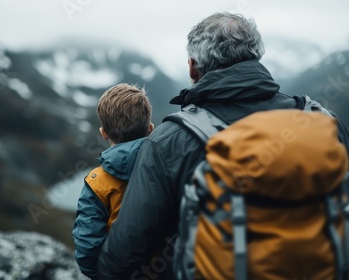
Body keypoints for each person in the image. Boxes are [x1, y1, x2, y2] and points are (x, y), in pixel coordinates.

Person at [97, 12, 349, 279]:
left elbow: (129, 248)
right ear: (256, 57)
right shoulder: (322, 122)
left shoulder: (170, 139)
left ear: (193, 67)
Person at [72, 83, 154, 279]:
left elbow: (87, 246)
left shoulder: (97, 182)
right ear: (151, 129)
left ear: (104, 133)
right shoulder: (168, 165)